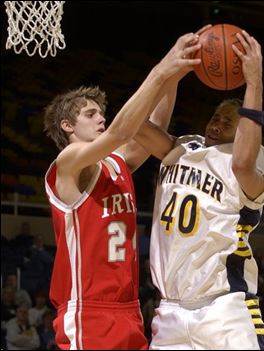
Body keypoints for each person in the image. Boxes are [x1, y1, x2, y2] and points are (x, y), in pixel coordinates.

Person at [43, 25, 211, 350]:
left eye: (101, 114)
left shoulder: (116, 163)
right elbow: (120, 133)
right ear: (67, 126)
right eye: (90, 114)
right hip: (88, 311)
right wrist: (161, 70)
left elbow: (153, 130)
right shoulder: (68, 162)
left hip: (129, 309)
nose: (100, 119)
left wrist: (174, 78)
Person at [134, 30, 264, 349]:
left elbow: (241, 163)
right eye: (215, 117)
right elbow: (134, 126)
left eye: (227, 122)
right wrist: (166, 73)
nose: (216, 124)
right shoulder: (182, 146)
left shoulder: (253, 160)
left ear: (243, 132)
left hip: (224, 309)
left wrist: (254, 83)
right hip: (169, 310)